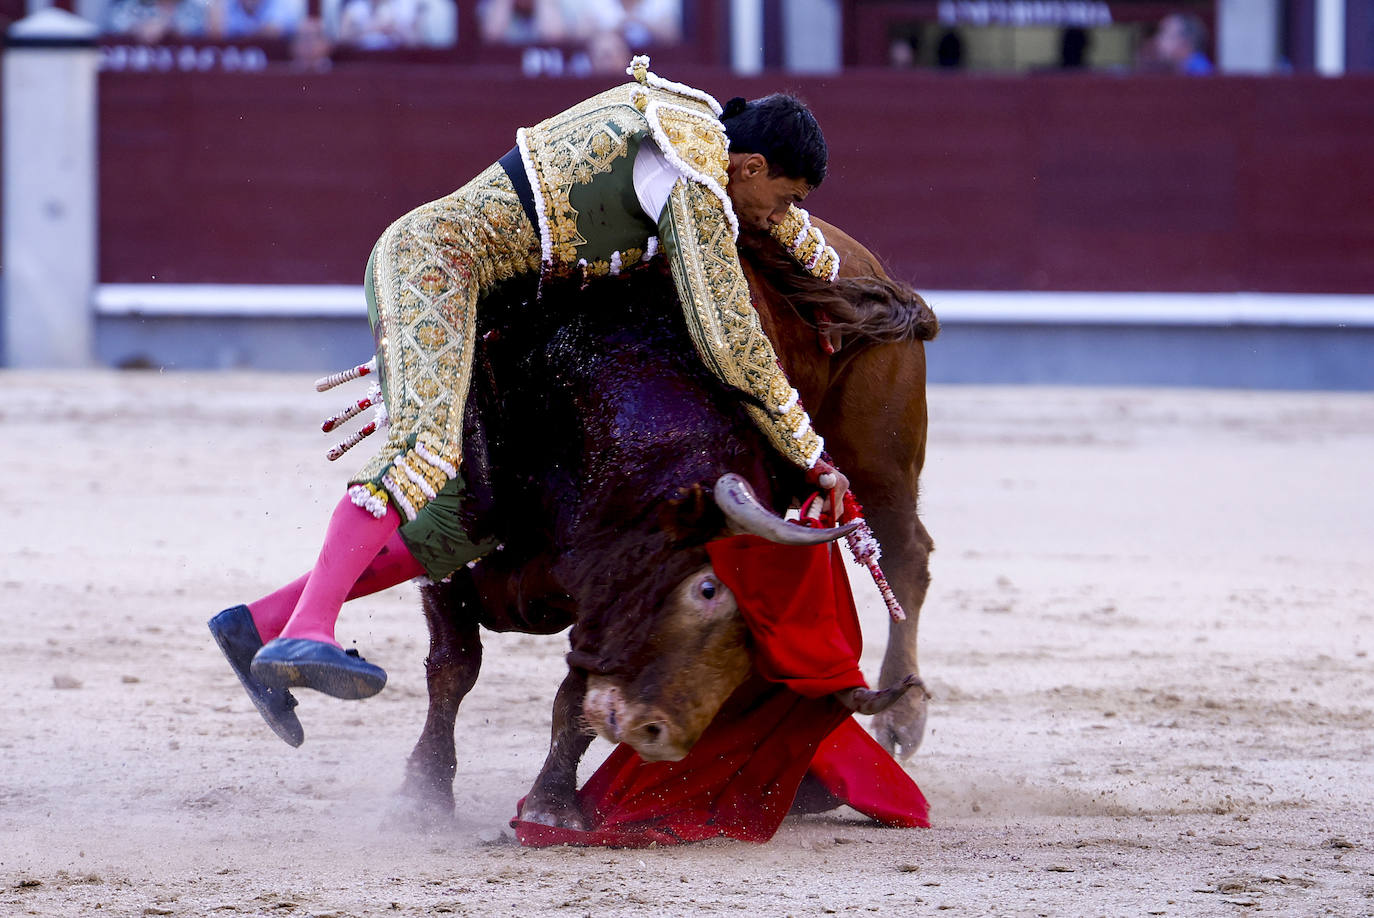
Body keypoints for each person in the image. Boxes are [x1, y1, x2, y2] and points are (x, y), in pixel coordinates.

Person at [209, 55, 850, 746]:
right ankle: (309, 631)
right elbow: (730, 340)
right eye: (784, 198)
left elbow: (784, 232)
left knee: (466, 522)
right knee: (423, 454)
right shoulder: (689, 173)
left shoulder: (700, 143)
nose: (779, 216)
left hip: (492, 305)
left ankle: (259, 624)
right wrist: (811, 455)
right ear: (750, 166)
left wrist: (826, 261)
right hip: (438, 265)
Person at [1147, 12, 1213, 75]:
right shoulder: (1181, 69)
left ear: (1185, 43)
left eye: (1166, 35)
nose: (1157, 40)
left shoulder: (1200, 72)